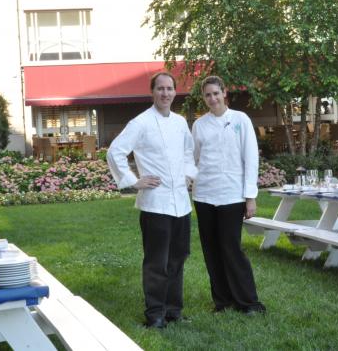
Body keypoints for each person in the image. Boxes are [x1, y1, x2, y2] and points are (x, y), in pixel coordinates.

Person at [107, 72, 197, 329]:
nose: (165, 93)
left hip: (180, 202)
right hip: (155, 204)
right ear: (152, 92)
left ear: (174, 92)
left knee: (178, 257)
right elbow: (116, 151)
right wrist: (133, 180)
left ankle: (173, 310)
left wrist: (189, 175)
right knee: (157, 261)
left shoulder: (180, 122)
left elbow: (189, 152)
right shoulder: (141, 122)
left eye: (170, 89)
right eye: (160, 89)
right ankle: (155, 313)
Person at [192, 75, 266, 315]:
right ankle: (222, 301)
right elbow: (193, 159)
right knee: (211, 251)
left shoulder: (240, 120)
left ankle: (248, 302)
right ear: (203, 98)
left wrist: (250, 196)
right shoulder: (199, 125)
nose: (212, 98)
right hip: (204, 196)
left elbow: (250, 158)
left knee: (231, 249)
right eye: (207, 95)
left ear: (224, 93)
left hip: (232, 195)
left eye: (216, 93)